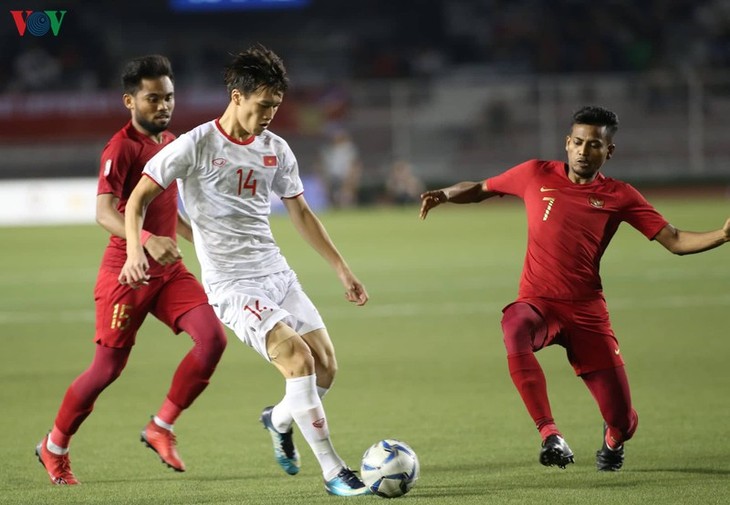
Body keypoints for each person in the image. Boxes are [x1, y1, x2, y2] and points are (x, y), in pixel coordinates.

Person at [118, 45, 371, 496]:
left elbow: (302, 214)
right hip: (231, 283)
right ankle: (335, 471)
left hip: (276, 273)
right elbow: (136, 199)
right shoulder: (195, 145)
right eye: (263, 105)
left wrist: (342, 268)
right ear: (237, 96)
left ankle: (276, 420)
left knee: (327, 368)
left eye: (276, 105)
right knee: (298, 360)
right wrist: (137, 249)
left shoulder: (276, 148)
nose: (271, 114)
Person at [419, 105, 730, 471]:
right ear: (567, 143)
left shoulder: (620, 195)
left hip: (586, 313)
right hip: (538, 303)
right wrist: (445, 193)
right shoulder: (535, 173)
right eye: (578, 142)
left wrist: (723, 235)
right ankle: (551, 434)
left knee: (623, 420)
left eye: (594, 145)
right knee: (513, 325)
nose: (584, 151)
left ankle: (613, 438)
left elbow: (675, 240)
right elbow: (481, 188)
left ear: (608, 151)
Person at [35, 55, 228, 485]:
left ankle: (161, 426)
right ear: (130, 101)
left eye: (169, 97)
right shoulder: (120, 147)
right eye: (153, 98)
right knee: (106, 370)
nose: (163, 106)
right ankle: (54, 446)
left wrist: (206, 243)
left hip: (167, 271)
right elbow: (104, 213)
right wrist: (141, 243)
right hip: (127, 273)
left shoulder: (170, 143)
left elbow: (167, 210)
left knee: (213, 339)